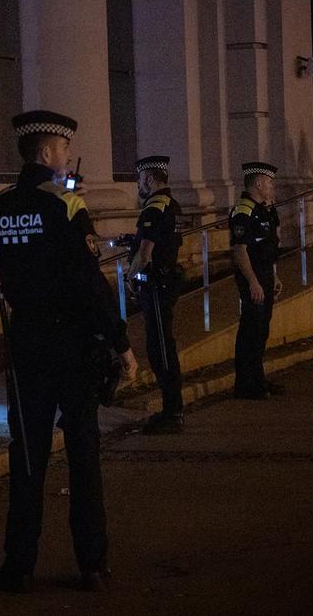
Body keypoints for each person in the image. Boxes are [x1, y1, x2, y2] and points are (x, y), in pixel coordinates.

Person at [0, 110, 137, 593]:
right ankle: (91, 561)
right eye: (63, 151)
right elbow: (89, 282)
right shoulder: (68, 205)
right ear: (49, 153)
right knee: (82, 452)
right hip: (72, 344)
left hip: (26, 342)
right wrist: (121, 342)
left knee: (27, 454)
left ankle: (18, 564)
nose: (66, 158)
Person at [127, 155, 184, 434]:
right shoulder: (171, 205)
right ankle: (173, 409)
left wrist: (130, 276)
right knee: (165, 346)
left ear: (149, 179)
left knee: (160, 348)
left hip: (156, 287)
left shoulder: (153, 207)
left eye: (140, 179)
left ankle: (172, 412)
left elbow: (146, 252)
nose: (139, 185)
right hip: (167, 283)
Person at [230, 161, 284, 400]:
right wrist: (253, 282)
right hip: (252, 276)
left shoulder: (264, 209)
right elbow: (240, 250)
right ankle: (245, 383)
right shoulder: (244, 210)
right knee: (251, 329)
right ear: (259, 183)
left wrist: (273, 275)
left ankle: (258, 378)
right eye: (270, 182)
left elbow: (269, 246)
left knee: (261, 329)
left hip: (264, 275)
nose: (272, 187)